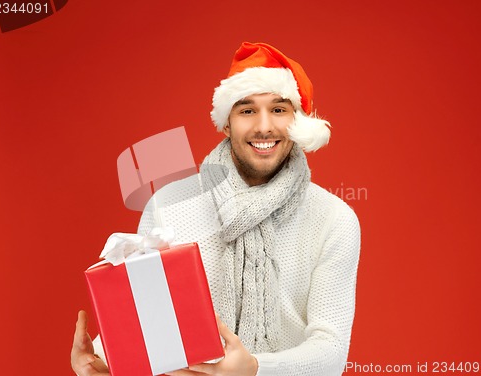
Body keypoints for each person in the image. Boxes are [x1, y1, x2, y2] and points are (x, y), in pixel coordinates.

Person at [71, 42, 361, 376]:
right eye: (247, 110)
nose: (264, 126)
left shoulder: (334, 220)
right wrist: (100, 357)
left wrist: (254, 369)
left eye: (279, 110)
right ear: (226, 123)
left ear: (298, 121)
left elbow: (331, 352)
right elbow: (148, 317)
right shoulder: (167, 205)